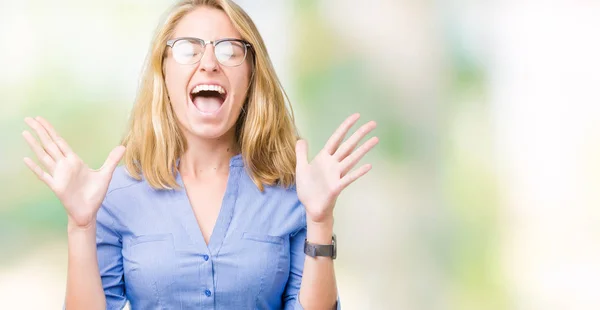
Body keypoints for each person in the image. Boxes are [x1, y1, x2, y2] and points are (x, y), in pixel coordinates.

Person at [21, 0, 378, 309]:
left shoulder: (293, 191)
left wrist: (320, 221)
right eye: (188, 49)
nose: (209, 63)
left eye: (229, 50)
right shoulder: (117, 193)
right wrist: (81, 226)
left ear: (252, 74)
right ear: (163, 71)